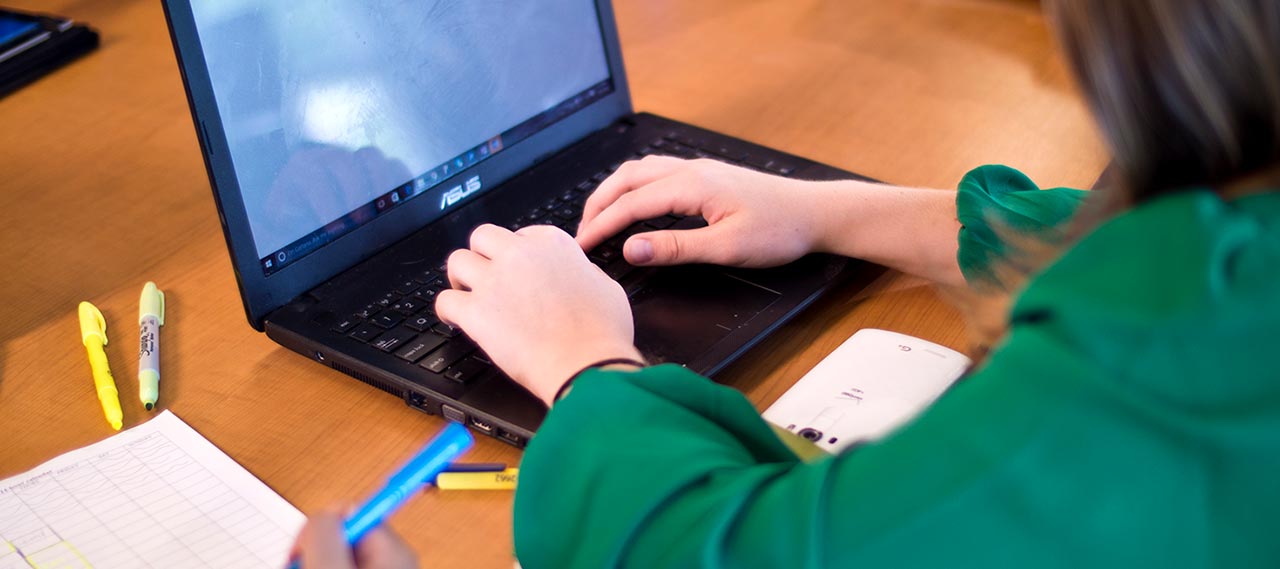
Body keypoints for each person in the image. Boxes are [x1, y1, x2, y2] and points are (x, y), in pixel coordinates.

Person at [292, 0, 1280, 566]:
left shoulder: (1177, 356)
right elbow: (1108, 237)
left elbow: (728, 552)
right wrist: (828, 209)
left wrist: (586, 364)